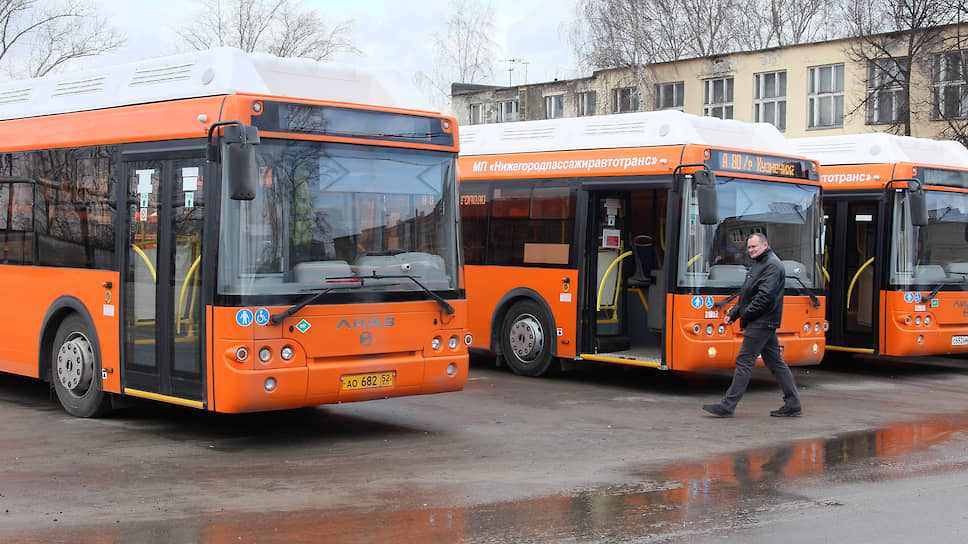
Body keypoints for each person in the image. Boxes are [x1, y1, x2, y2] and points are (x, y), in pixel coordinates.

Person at [702, 232, 802, 418]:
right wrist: (733, 314)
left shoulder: (772, 265)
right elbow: (747, 292)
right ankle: (793, 403)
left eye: (754, 246)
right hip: (762, 320)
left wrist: (745, 315)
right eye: (749, 247)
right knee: (776, 363)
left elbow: (764, 297)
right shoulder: (760, 263)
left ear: (765, 245)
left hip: (761, 321)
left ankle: (727, 406)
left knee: (744, 361)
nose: (751, 250)